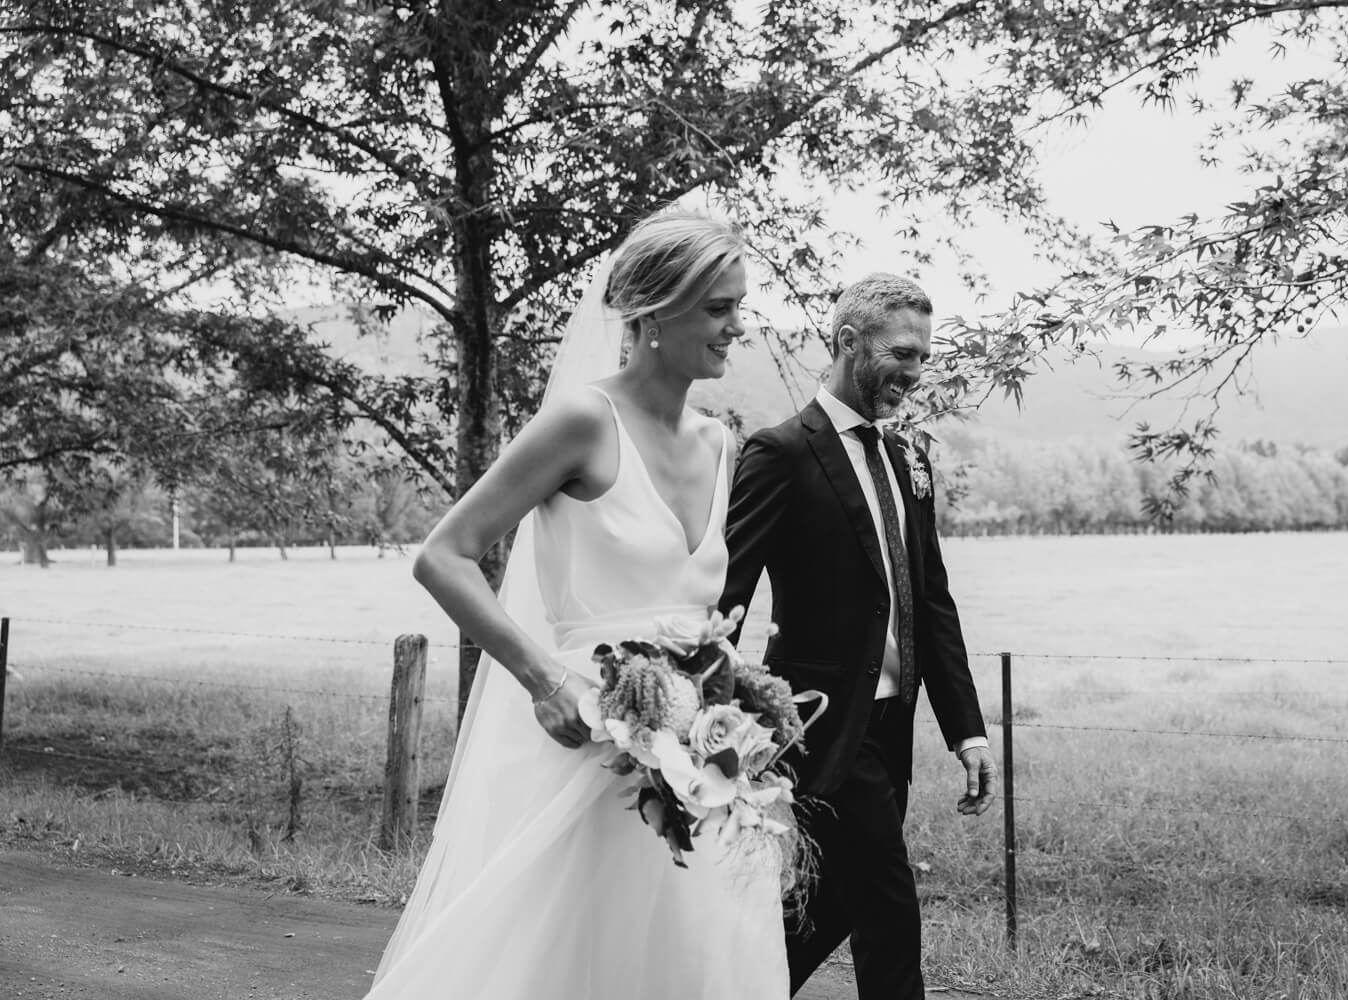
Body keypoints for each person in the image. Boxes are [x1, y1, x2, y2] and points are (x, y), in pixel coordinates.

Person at [365, 209, 789, 998]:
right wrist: (543, 679)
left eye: (740, 306)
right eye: (718, 308)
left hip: (695, 760)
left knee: (689, 960)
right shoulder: (584, 421)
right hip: (586, 740)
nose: (738, 327)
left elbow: (695, 611)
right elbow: (444, 556)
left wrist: (738, 704)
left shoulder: (719, 443)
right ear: (655, 313)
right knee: (564, 960)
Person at [720, 273, 998, 1000]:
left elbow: (930, 601)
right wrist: (715, 710)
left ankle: (732, 986)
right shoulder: (781, 452)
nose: (915, 372)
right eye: (902, 354)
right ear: (849, 342)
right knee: (888, 904)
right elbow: (727, 594)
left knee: (831, 902)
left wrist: (967, 730)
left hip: (890, 726)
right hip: (816, 723)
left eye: (923, 357)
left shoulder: (909, 457)